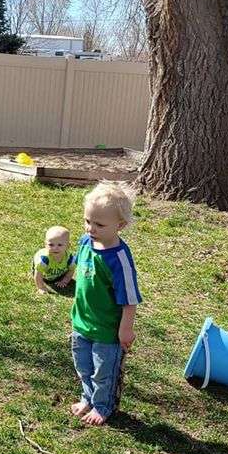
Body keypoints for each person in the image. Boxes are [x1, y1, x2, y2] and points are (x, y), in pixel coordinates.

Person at [69, 182, 142, 426]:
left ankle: (103, 405)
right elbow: (78, 268)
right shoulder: (84, 242)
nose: (91, 228)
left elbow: (130, 299)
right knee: (84, 366)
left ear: (120, 226)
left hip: (107, 331)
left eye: (99, 224)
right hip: (81, 323)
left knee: (104, 372)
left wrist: (126, 329)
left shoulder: (119, 259)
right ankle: (87, 398)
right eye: (87, 221)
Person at [32, 225, 75, 294]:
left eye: (60, 245)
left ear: (68, 246)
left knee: (59, 274)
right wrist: (41, 287)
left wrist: (65, 281)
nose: (55, 248)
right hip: (44, 274)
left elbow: (71, 270)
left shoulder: (69, 258)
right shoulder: (44, 260)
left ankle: (56, 275)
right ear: (45, 245)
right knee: (42, 274)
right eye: (51, 245)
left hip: (57, 272)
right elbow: (38, 274)